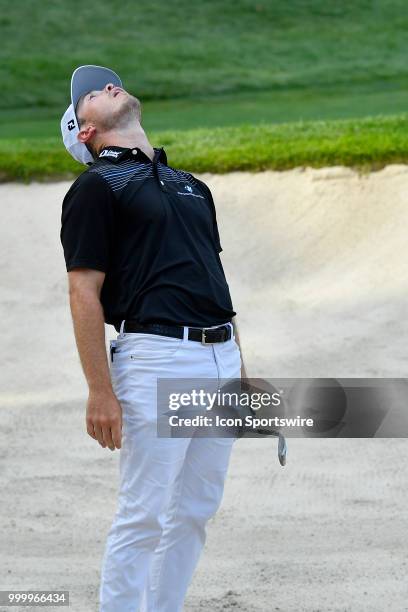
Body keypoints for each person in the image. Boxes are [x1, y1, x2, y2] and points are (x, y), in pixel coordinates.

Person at [60, 65, 246, 612]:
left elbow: (214, 281)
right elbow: (83, 293)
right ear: (84, 132)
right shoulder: (95, 187)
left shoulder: (191, 185)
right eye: (92, 93)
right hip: (156, 357)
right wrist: (101, 391)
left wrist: (238, 367)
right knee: (144, 513)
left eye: (108, 82)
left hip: (220, 357)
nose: (108, 86)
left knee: (195, 510)